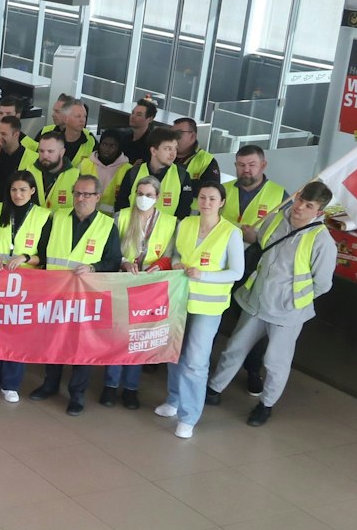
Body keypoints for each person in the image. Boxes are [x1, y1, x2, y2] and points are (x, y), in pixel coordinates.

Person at [206, 182, 338, 426]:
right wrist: (251, 235)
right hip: (257, 300)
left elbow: (322, 284)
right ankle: (214, 389)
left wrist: (293, 300)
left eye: (309, 206)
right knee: (235, 348)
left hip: (287, 312)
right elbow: (262, 242)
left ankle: (266, 405)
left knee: (275, 361)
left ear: (319, 212)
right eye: (300, 200)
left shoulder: (322, 241)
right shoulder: (276, 219)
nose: (300, 207)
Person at [159, 183, 245, 438]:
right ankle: (173, 400)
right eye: (203, 197)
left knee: (195, 361)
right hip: (181, 299)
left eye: (212, 199)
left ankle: (189, 416)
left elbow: (236, 272)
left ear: (222, 202)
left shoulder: (231, 232)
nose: (206, 202)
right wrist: (176, 263)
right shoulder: (186, 223)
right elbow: (176, 253)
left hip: (208, 305)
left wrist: (204, 275)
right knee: (174, 352)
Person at [28, 174, 119, 415]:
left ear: (98, 197)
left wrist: (93, 268)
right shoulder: (57, 217)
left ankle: (77, 395)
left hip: (85, 296)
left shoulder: (107, 225)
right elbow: (42, 252)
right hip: (55, 292)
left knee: (81, 347)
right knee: (54, 341)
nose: (81, 198)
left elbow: (113, 260)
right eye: (77, 193)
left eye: (87, 194)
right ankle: (50, 384)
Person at [102, 174, 175, 409]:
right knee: (118, 335)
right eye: (140, 194)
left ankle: (131, 388)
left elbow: (171, 254)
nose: (144, 198)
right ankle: (110, 385)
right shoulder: (122, 216)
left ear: (158, 197)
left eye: (149, 195)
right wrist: (124, 262)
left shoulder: (170, 222)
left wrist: (160, 265)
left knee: (139, 339)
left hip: (150, 287)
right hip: (123, 282)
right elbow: (111, 249)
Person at [0, 170, 50, 400]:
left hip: (25, 282)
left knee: (17, 332)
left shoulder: (43, 215)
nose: (17, 194)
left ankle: (11, 383)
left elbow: (46, 254)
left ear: (32, 191)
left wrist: (26, 257)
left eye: (22, 190)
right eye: (13, 190)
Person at [110, 127, 189, 217]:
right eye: (168, 149)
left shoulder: (182, 176)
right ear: (154, 151)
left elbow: (184, 212)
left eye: (175, 149)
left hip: (166, 226)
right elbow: (121, 205)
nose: (173, 154)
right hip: (134, 225)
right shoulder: (133, 173)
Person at [223, 144, 287, 237]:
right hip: (220, 244)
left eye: (252, 165)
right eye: (241, 165)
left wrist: (257, 238)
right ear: (235, 165)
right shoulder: (221, 189)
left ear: (263, 165)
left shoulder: (280, 195)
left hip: (257, 246)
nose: (246, 170)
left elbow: (286, 234)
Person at [26, 131, 90, 214]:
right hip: (34, 222)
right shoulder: (27, 173)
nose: (45, 155)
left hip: (63, 222)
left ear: (62, 152)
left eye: (50, 151)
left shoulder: (76, 177)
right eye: (41, 151)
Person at [42, 97, 96, 167]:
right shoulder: (53, 141)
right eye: (78, 116)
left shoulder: (91, 141)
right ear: (65, 119)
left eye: (84, 116)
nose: (82, 120)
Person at [172, 117, 222, 187]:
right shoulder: (163, 153)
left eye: (178, 134)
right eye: (170, 134)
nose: (172, 138)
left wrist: (186, 184)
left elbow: (212, 190)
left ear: (192, 136)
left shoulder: (207, 161)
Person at [87, 132, 129, 204]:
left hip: (115, 211)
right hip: (87, 210)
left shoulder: (127, 169)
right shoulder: (85, 164)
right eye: (104, 144)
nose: (107, 149)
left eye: (112, 146)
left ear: (119, 148)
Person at [120, 98, 159, 164]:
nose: (133, 117)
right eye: (133, 113)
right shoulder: (124, 137)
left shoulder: (151, 144)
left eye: (139, 115)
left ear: (150, 119)